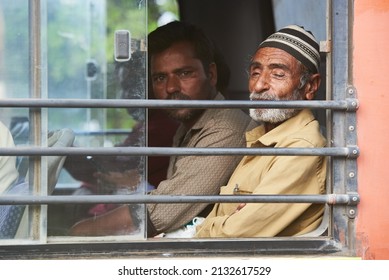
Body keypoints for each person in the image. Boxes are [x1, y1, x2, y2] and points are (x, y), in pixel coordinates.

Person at [69, 21, 251, 237]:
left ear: (211, 75)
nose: (171, 87)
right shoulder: (187, 129)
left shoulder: (225, 128)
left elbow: (160, 214)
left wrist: (80, 231)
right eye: (160, 78)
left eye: (184, 73)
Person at [195, 25, 327, 238]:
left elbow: (236, 233)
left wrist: (199, 230)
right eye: (255, 72)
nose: (258, 85)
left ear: (310, 87)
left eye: (277, 74)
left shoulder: (302, 147)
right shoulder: (261, 139)